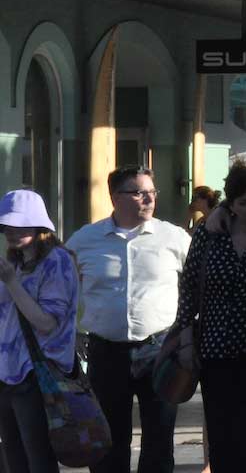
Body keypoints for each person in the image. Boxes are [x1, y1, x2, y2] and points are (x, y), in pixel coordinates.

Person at [66, 165, 190, 473]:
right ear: (114, 197)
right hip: (106, 352)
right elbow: (62, 289)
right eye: (138, 192)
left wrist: (189, 333)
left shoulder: (173, 237)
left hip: (160, 349)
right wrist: (73, 332)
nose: (148, 198)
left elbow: (199, 284)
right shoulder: (85, 240)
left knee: (159, 440)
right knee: (108, 441)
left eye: (152, 191)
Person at [173, 163, 246, 472]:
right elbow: (189, 285)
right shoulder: (210, 234)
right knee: (220, 434)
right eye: (243, 202)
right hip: (215, 348)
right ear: (230, 206)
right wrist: (185, 336)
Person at [0, 190, 78, 473]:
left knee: (38, 457)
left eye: (18, 224)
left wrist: (10, 283)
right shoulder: (17, 262)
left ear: (38, 225)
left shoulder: (57, 261)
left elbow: (47, 323)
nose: (10, 231)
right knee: (12, 457)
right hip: (8, 373)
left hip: (37, 373)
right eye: (5, 225)